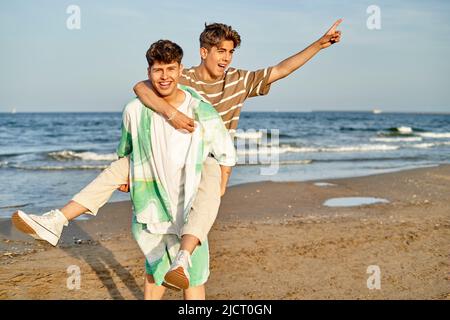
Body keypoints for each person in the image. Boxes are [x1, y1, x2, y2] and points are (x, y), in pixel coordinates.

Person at [12, 21, 342, 291]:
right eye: (220, 51)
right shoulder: (182, 76)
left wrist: (319, 44)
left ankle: (183, 262)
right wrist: (170, 113)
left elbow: (281, 70)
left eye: (230, 52)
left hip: (209, 157)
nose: (226, 58)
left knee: (190, 229)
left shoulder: (240, 80)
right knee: (122, 170)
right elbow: (141, 88)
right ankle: (56, 220)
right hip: (171, 153)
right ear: (204, 51)